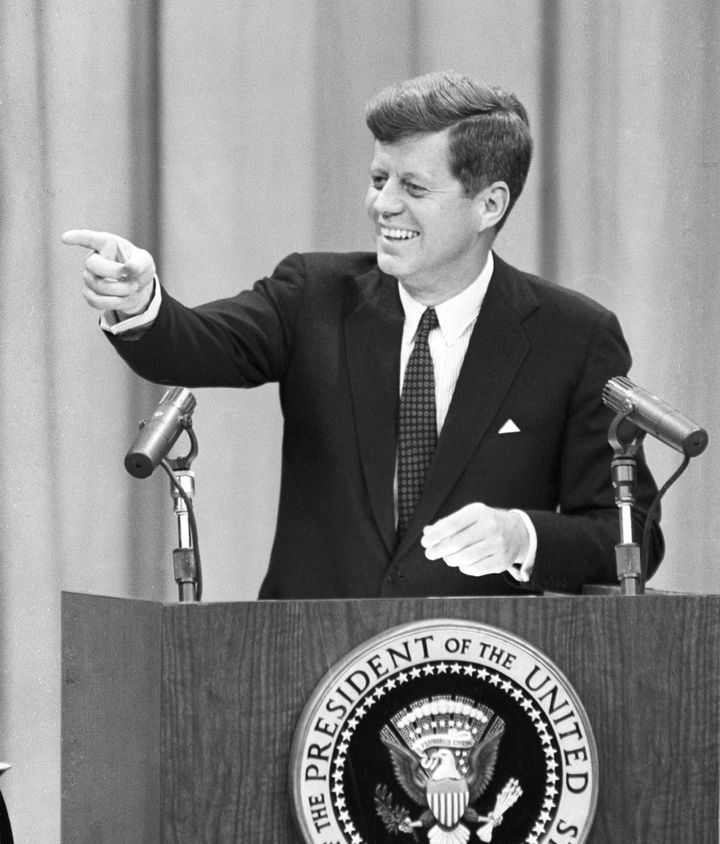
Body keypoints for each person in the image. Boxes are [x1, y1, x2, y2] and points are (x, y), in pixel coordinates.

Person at [62, 70, 663, 599]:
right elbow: (192, 344)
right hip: (309, 670)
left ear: (490, 204)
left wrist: (521, 536)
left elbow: (630, 535)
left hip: (481, 675)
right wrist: (143, 303)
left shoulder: (573, 337)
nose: (382, 204)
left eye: (414, 188)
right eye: (379, 179)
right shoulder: (313, 294)